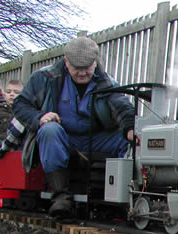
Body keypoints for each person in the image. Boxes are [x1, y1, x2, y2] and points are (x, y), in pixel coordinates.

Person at [12, 36, 136, 218]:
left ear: (95, 62)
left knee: (123, 139)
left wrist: (130, 129)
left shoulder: (107, 82)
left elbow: (122, 107)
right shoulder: (44, 77)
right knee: (49, 130)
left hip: (95, 139)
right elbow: (20, 105)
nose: (82, 73)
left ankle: (119, 197)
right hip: (61, 137)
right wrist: (40, 117)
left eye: (87, 68)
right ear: (66, 62)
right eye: (77, 68)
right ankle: (60, 196)